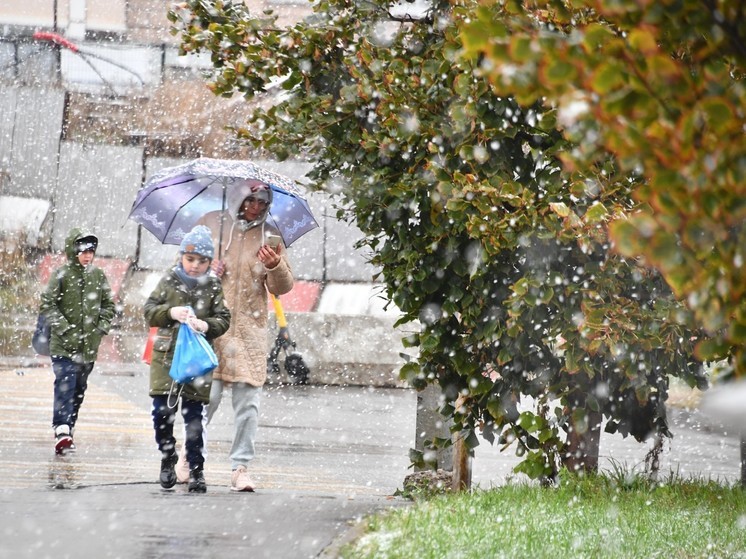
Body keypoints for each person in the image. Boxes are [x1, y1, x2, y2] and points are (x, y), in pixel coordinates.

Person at [192, 180, 294, 491]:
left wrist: (275, 266)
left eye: (264, 202)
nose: (257, 207)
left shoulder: (270, 237)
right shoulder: (210, 224)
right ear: (239, 198)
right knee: (205, 399)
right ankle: (189, 457)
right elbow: (182, 271)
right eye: (252, 200)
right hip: (212, 329)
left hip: (249, 334)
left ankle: (240, 467)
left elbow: (282, 287)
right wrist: (206, 272)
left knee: (248, 405)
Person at [143, 225, 231, 493]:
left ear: (209, 262)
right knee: (162, 413)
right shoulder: (168, 280)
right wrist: (171, 312)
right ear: (181, 256)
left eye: (202, 261)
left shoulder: (214, 285)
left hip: (196, 360)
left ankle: (196, 469)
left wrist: (205, 325)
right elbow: (149, 311)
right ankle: (167, 456)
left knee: (194, 418)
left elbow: (223, 319)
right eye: (190, 259)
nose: (195, 266)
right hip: (166, 358)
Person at [39, 228, 116, 455]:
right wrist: (64, 328)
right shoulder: (61, 274)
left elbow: (109, 306)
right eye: (82, 250)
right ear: (73, 250)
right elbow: (47, 303)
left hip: (88, 347)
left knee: (79, 390)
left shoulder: (98, 276)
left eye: (91, 251)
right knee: (66, 383)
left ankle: (68, 429)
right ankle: (61, 428)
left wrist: (100, 328)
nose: (87, 255)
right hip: (63, 345)